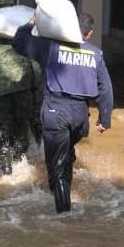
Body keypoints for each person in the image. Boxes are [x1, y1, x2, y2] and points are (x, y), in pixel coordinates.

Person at [13, 12, 113, 213]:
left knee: (56, 167)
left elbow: (19, 41)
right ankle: (64, 194)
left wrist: (30, 22)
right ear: (90, 33)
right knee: (66, 155)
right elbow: (106, 88)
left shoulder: (50, 47)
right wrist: (105, 118)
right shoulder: (96, 54)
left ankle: (64, 215)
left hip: (55, 112)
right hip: (80, 116)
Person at [0, 0, 41, 177]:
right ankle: (19, 159)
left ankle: (5, 166)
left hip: (0, 87)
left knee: (2, 125)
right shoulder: (25, 30)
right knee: (21, 123)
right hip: (24, 84)